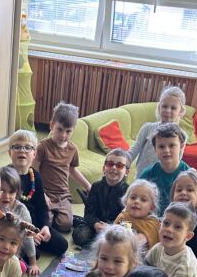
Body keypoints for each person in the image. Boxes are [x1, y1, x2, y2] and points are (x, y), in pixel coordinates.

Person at [7, 129, 69, 258]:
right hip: (13, 227)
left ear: (34, 154)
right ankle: (29, 245)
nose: (22, 151)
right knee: (34, 256)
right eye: (17, 147)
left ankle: (34, 242)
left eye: (27, 148)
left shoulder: (35, 176)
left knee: (62, 245)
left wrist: (45, 226)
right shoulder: (6, 177)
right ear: (9, 152)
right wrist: (26, 233)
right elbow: (4, 212)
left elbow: (42, 207)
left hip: (34, 224)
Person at [35, 101, 92, 233]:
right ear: (52, 125)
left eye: (68, 131)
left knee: (65, 225)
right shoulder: (43, 147)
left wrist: (88, 186)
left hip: (63, 195)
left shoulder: (72, 149)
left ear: (73, 130)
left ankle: (66, 216)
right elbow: (34, 171)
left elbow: (73, 170)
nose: (63, 135)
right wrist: (42, 194)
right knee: (45, 222)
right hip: (45, 192)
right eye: (59, 129)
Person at [71, 148, 130, 248]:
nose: (114, 167)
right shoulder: (96, 186)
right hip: (95, 224)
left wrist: (111, 227)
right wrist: (96, 224)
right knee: (80, 236)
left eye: (119, 165)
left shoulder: (129, 192)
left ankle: (100, 240)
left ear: (126, 172)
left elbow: (128, 219)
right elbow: (89, 213)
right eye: (110, 164)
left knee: (122, 241)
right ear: (104, 168)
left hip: (115, 228)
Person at [127, 86, 187, 176]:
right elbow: (135, 149)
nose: (168, 111)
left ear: (181, 111)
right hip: (142, 176)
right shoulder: (147, 128)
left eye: (173, 108)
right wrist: (123, 159)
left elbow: (177, 159)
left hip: (162, 178)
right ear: (159, 107)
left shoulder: (182, 135)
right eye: (164, 106)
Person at [0, 165, 39, 276]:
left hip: (15, 247)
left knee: (20, 267)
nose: (6, 196)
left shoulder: (21, 210)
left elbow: (28, 237)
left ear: (17, 192)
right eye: (2, 191)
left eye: (11, 192)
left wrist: (33, 263)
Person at [139, 123, 189, 215]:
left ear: (181, 147)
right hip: (151, 220)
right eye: (161, 146)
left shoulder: (190, 176)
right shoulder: (147, 174)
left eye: (171, 145)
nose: (166, 150)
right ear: (155, 149)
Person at [114, 179, 161, 258]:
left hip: (144, 261)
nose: (136, 201)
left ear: (152, 207)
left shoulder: (153, 223)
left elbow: (139, 241)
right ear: (126, 201)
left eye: (143, 200)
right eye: (133, 197)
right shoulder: (123, 217)